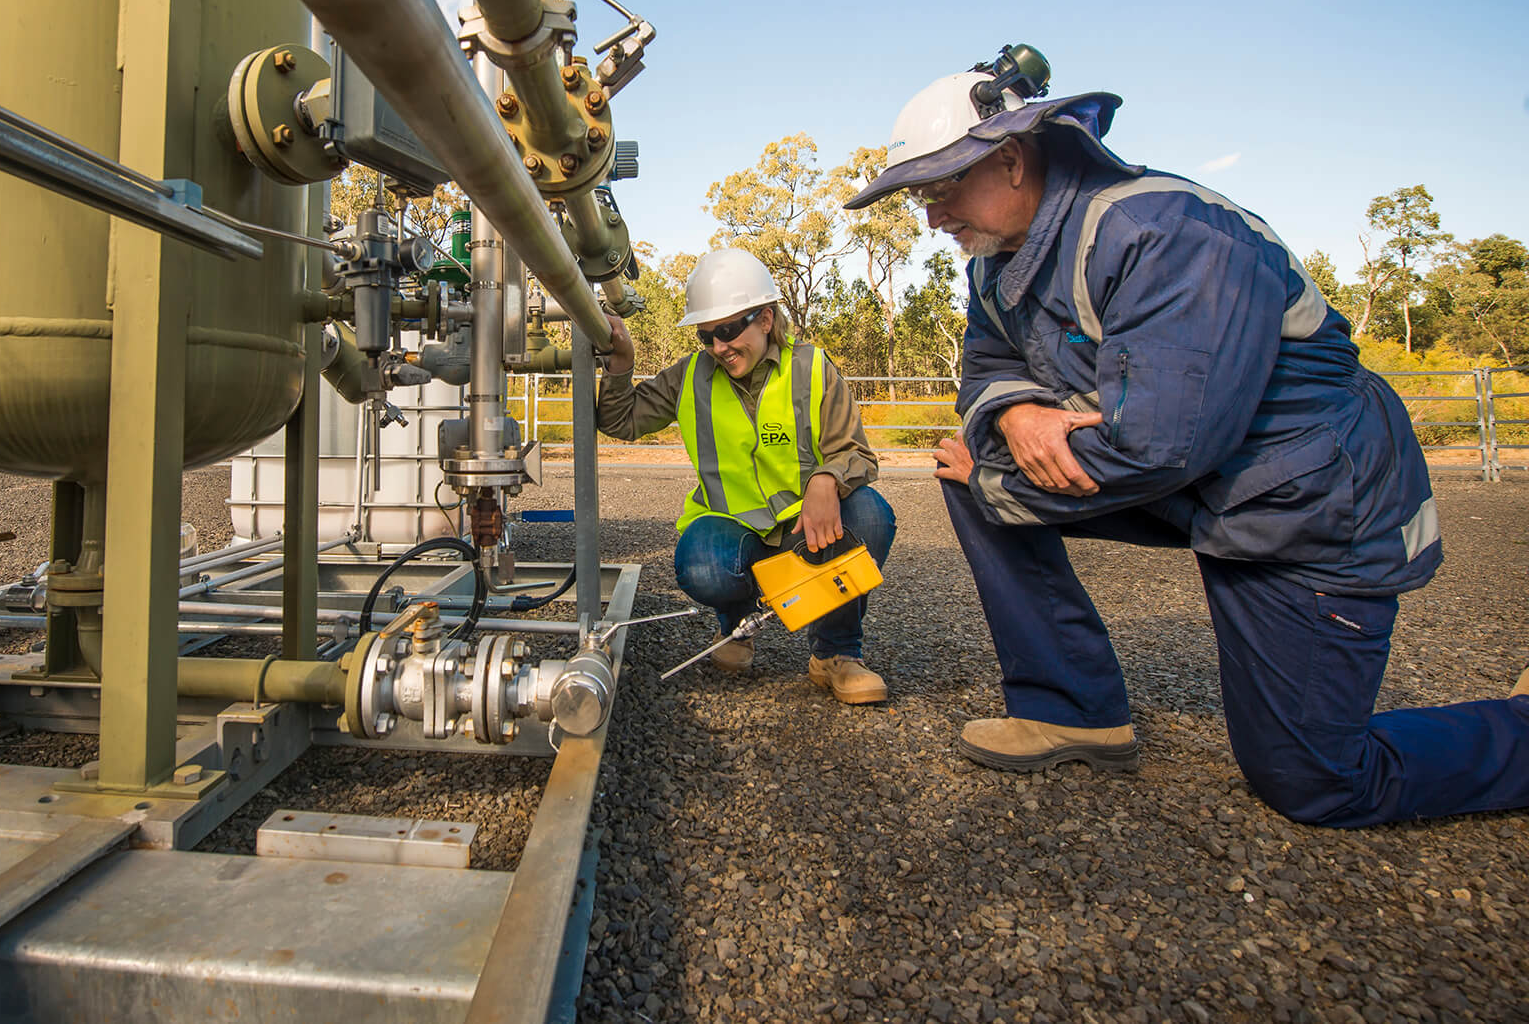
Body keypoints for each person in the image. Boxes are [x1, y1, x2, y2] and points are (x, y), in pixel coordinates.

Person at [845, 57, 1529, 825]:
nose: (931, 216)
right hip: (1200, 492)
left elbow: (1158, 447)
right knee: (968, 467)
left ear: (1010, 158)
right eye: (920, 196)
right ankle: (1073, 707)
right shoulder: (995, 261)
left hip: (1305, 507)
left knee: (1318, 780)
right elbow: (988, 366)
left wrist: (1004, 475)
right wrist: (1012, 418)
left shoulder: (1165, 232)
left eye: (942, 189)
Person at [597, 248, 897, 704]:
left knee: (871, 517)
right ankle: (738, 626)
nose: (719, 347)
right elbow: (622, 421)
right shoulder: (691, 376)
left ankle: (836, 653)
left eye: (730, 330)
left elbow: (855, 453)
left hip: (806, 529)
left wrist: (826, 481)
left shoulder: (812, 368)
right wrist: (621, 363)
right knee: (700, 562)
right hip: (734, 531)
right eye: (707, 336)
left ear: (766, 319)